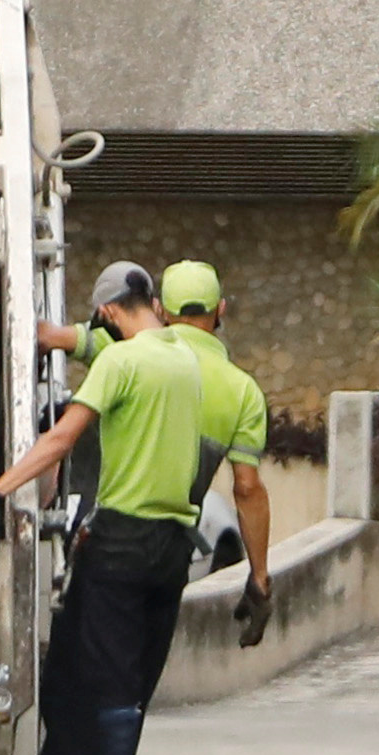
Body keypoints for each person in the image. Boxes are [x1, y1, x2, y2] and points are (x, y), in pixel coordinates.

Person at [0, 259, 216, 755]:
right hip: (172, 548)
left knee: (91, 686)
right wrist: (54, 335)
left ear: (110, 311)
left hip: (121, 542)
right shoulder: (182, 359)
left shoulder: (119, 361)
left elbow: (61, 439)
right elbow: (89, 343)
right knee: (112, 683)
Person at [155, 259, 276, 644]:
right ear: (220, 309)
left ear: (160, 310)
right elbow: (247, 489)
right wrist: (258, 578)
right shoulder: (242, 390)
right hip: (171, 548)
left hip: (106, 535)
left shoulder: (129, 359)